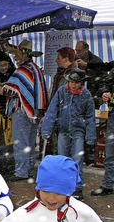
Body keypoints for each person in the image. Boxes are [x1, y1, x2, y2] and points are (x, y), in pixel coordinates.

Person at [41, 69, 95, 200]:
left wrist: (90, 137)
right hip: (63, 131)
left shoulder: (86, 95)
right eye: (71, 82)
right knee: (62, 160)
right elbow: (52, 111)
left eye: (76, 83)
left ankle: (77, 188)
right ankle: (62, 186)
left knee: (77, 160)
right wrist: (46, 129)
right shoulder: (61, 91)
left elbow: (90, 117)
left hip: (78, 131)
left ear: (82, 83)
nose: (73, 85)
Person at [2, 40, 48, 181]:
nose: (15, 58)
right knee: (29, 142)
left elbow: (15, 90)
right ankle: (28, 169)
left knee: (21, 142)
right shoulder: (34, 68)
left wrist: (2, 89)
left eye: (17, 54)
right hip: (34, 110)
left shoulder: (23, 70)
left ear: (24, 55)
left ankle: (21, 172)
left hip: (23, 110)